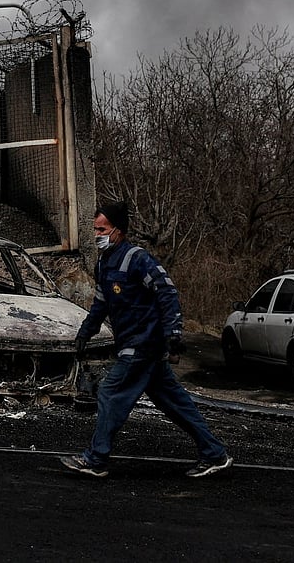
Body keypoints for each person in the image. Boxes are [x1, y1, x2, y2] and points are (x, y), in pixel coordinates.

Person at [60, 200, 233, 479]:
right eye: (95, 229)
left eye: (101, 229)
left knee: (110, 393)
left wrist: (173, 334)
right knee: (174, 403)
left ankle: (96, 460)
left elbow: (167, 292)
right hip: (137, 345)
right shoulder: (104, 263)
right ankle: (215, 454)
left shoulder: (137, 259)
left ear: (118, 230)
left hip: (142, 344)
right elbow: (101, 304)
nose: (97, 235)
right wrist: (85, 332)